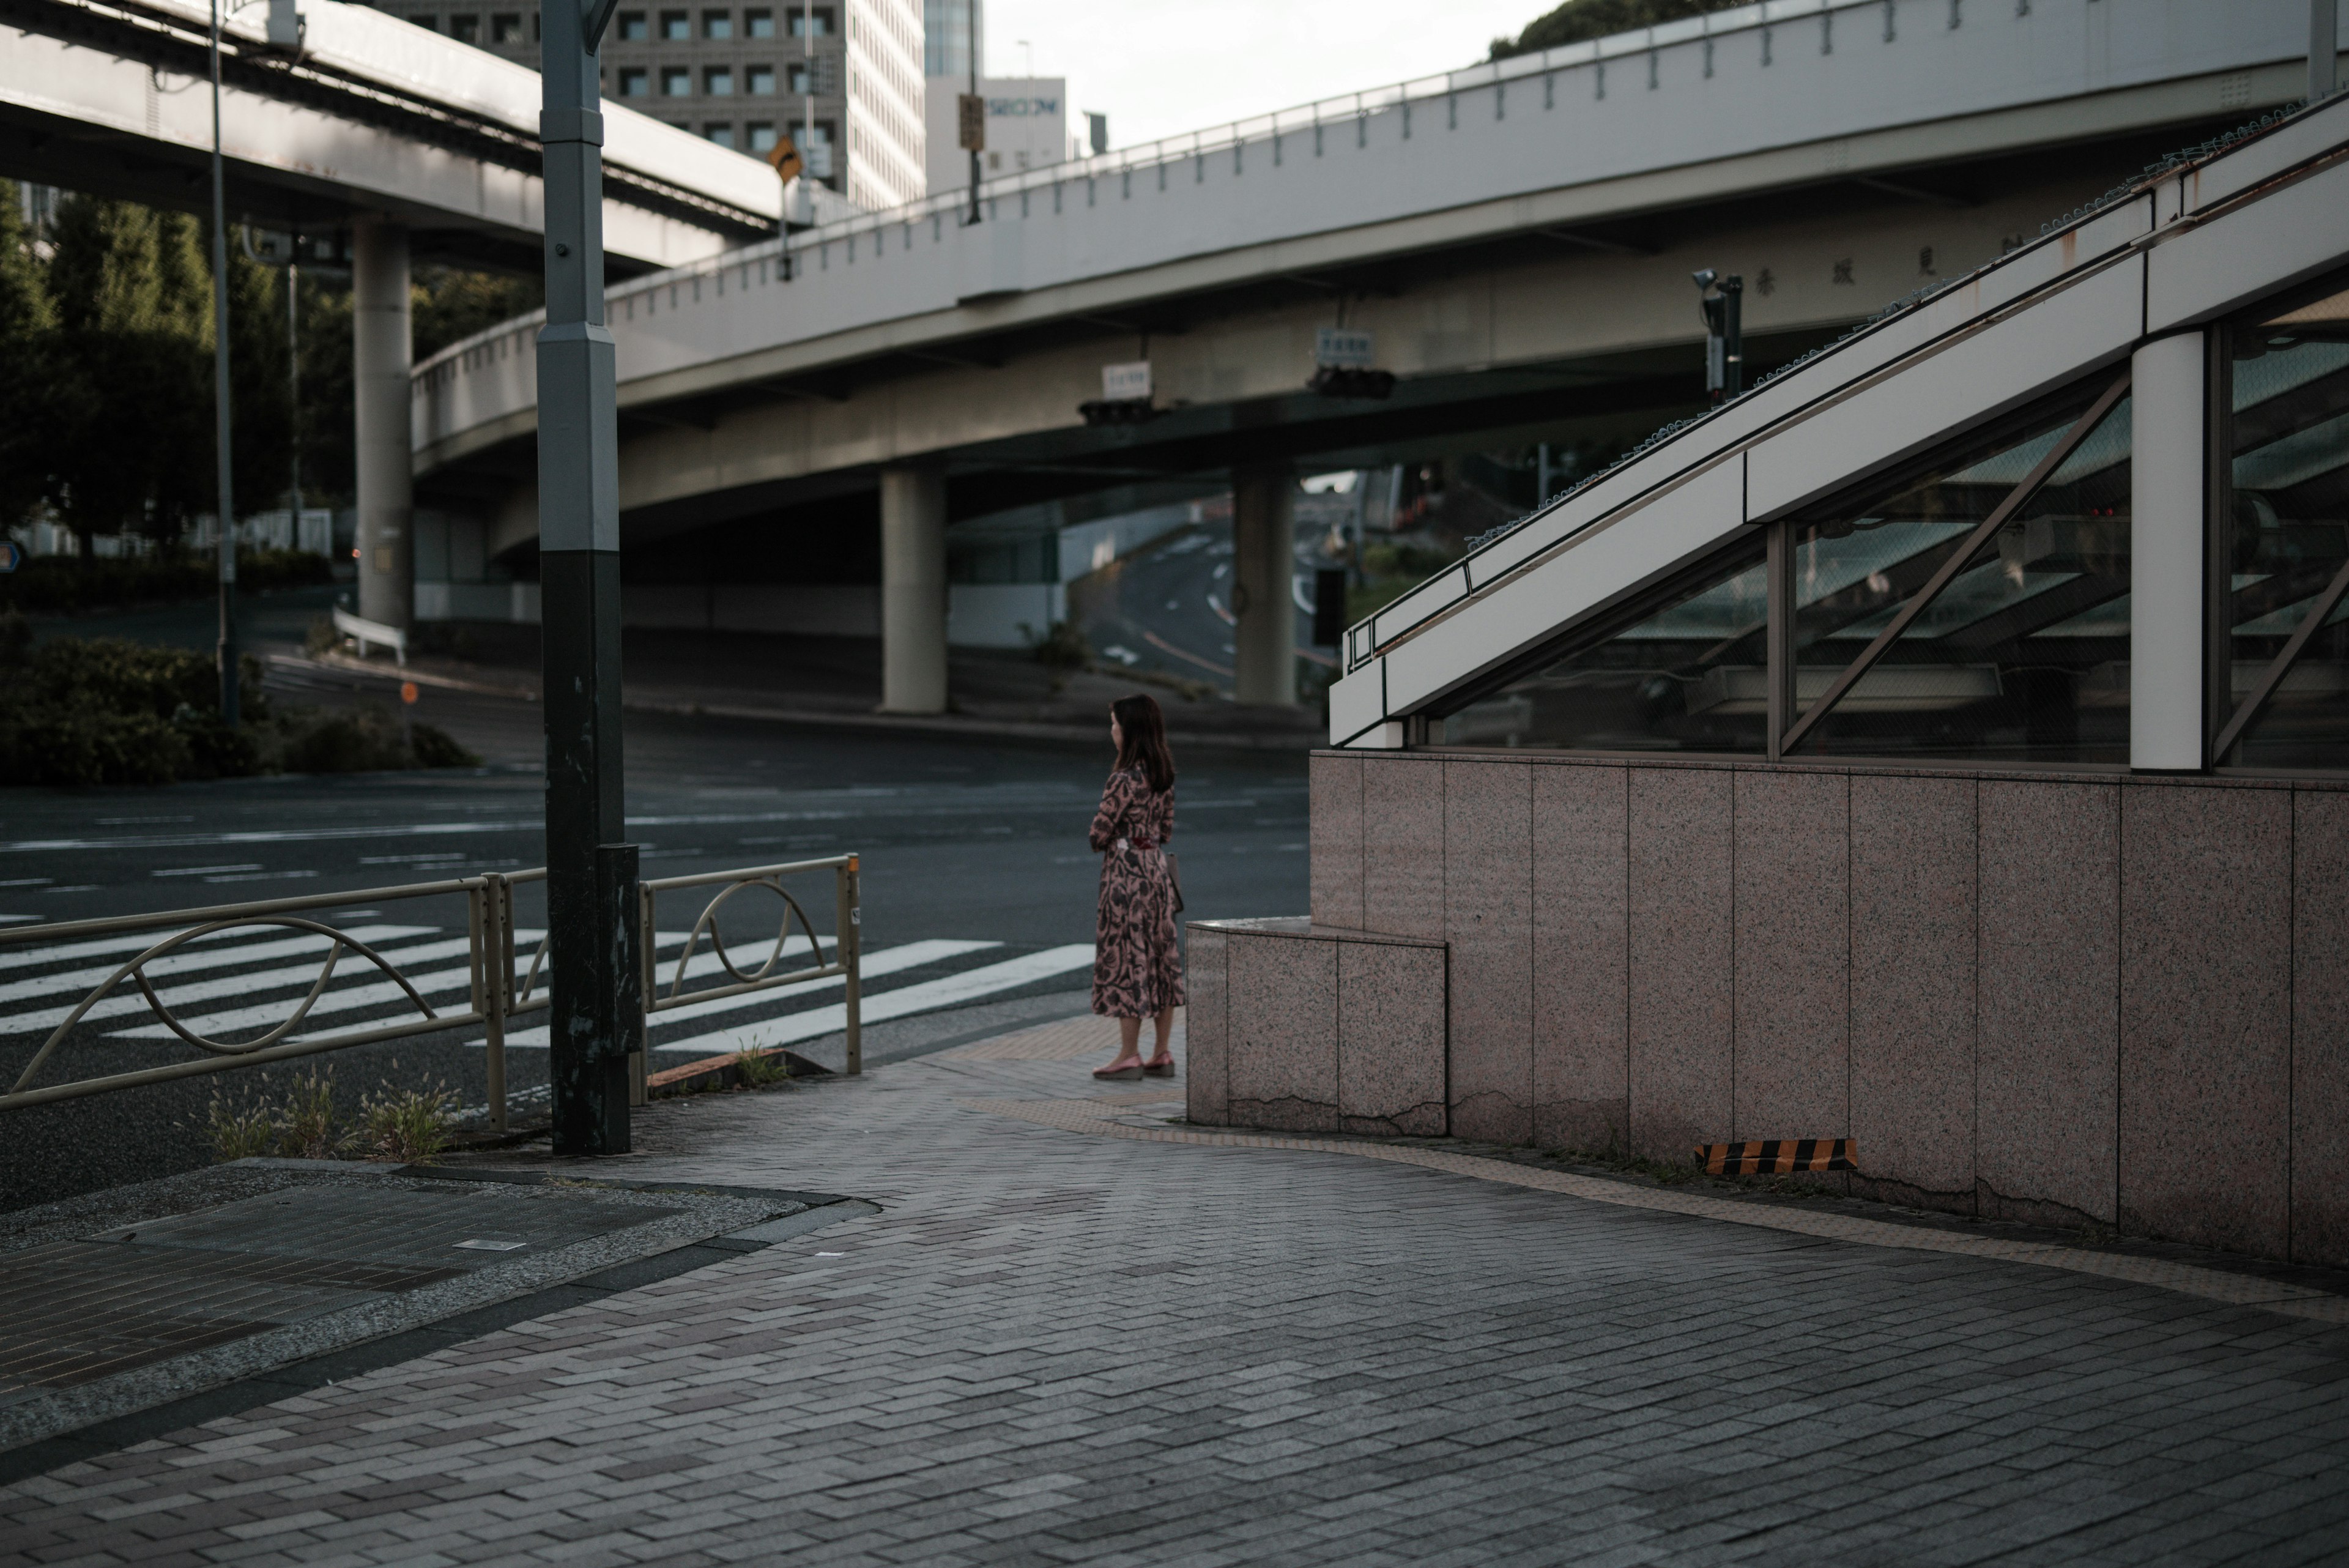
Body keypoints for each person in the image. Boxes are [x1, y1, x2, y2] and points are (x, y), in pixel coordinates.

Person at [1088, 694, 1182, 1080]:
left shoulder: (1123, 780)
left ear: (1129, 731)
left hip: (1125, 875)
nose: (1112, 730)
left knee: (1128, 958)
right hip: (1157, 873)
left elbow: (1098, 834)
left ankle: (1129, 1054)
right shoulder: (1164, 777)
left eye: (1114, 723)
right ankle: (1162, 1052)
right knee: (1160, 957)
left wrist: (1111, 836)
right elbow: (1167, 831)